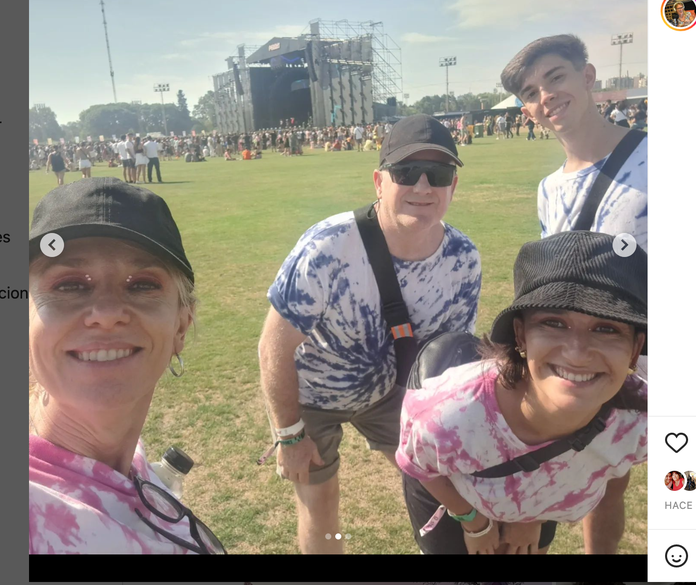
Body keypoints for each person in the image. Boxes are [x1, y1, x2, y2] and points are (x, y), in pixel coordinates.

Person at [259, 114, 482, 554]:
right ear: (379, 181)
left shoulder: (462, 259)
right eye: (405, 173)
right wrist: (290, 434)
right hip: (313, 395)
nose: (422, 188)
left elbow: (453, 358)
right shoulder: (329, 246)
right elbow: (274, 346)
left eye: (437, 175)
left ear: (453, 186)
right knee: (321, 508)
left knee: (443, 481)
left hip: (392, 393)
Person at [397, 231, 647, 554]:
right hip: (458, 501)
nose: (577, 352)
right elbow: (417, 465)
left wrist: (532, 513)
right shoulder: (446, 417)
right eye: (554, 322)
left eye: (607, 328)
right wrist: (474, 522)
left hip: (540, 507)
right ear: (522, 335)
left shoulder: (640, 422)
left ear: (635, 348)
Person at [28, 178, 223, 554]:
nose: (106, 314)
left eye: (142, 285)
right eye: (69, 285)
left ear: (181, 325)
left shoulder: (135, 465)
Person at [501, 34, 648, 250]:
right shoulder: (548, 190)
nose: (546, 96)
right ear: (528, 113)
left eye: (556, 78)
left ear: (587, 77)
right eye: (531, 93)